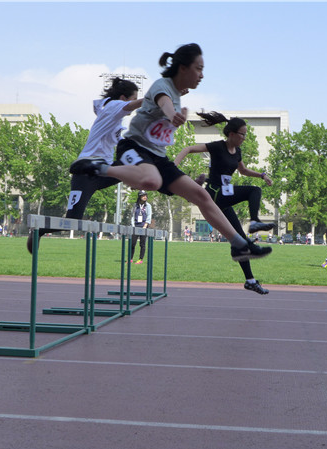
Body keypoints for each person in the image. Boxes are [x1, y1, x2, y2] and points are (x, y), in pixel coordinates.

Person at [72, 43, 271, 263]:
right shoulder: (162, 86)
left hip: (158, 157)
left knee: (201, 195)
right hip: (134, 147)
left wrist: (184, 178)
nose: (202, 75)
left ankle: (240, 245)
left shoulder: (175, 94)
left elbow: (168, 103)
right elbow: (163, 101)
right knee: (151, 181)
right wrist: (172, 115)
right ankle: (98, 168)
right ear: (183, 68)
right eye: (198, 69)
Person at [27, 77, 143, 253]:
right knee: (72, 221)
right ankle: (39, 230)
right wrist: (160, 95)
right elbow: (134, 105)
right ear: (123, 98)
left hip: (103, 172)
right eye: (133, 99)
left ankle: (134, 178)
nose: (133, 106)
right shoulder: (114, 106)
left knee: (132, 155)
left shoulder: (114, 121)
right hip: (86, 171)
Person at [174, 111, 275, 294]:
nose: (244, 138)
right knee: (254, 191)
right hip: (214, 193)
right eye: (242, 134)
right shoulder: (217, 146)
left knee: (240, 241)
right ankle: (254, 223)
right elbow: (188, 149)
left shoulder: (238, 152)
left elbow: (243, 171)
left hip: (224, 199)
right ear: (232, 134)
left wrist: (262, 175)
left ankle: (250, 281)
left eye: (246, 135)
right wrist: (173, 167)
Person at [130, 190, 152, 264]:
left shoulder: (148, 206)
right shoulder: (135, 205)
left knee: (142, 244)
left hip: (144, 226)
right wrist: (133, 225)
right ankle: (130, 258)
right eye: (143, 196)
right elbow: (132, 216)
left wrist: (145, 225)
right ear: (139, 197)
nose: (145, 197)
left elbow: (149, 216)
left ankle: (140, 259)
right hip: (135, 226)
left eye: (146, 195)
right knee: (132, 243)